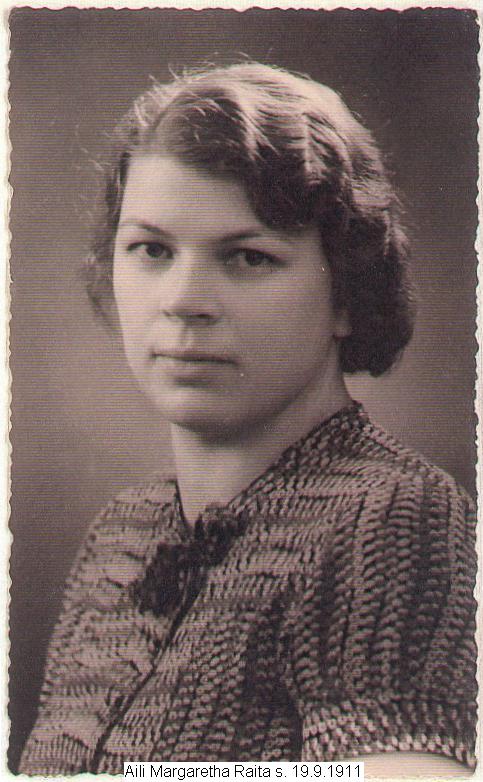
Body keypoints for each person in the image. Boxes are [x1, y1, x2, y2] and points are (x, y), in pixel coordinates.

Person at [19, 62, 477, 776]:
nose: (183, 300)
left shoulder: (390, 516)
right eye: (151, 250)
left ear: (346, 293)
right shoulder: (120, 538)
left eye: (247, 258)